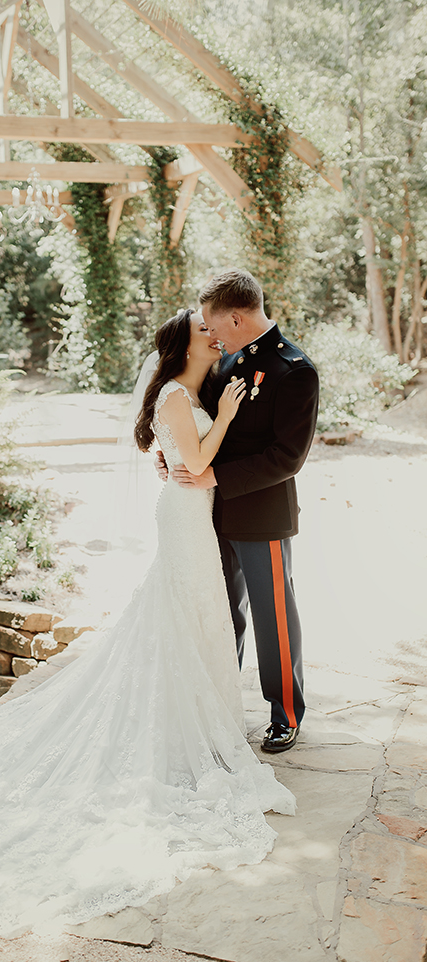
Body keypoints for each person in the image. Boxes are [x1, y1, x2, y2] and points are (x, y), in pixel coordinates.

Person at [0, 309, 295, 946]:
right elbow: (198, 456)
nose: (215, 333)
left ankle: (196, 723)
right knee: (184, 613)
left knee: (195, 616)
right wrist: (221, 420)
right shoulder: (184, 395)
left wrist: (200, 431)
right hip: (185, 517)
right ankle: (185, 730)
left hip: (194, 516)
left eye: (217, 326)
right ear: (186, 345)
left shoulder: (197, 390)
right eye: (203, 329)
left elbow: (181, 450)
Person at [157, 270, 319, 754]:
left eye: (212, 323)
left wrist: (217, 477)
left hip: (262, 514)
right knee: (224, 615)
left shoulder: (295, 370)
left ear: (234, 316)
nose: (210, 334)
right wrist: (177, 456)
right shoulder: (225, 365)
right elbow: (198, 423)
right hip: (209, 514)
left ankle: (285, 713)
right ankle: (221, 706)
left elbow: (288, 457)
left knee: (273, 618)